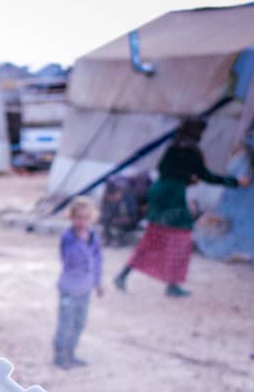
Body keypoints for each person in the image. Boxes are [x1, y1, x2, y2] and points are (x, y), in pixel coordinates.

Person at [113, 117, 251, 296]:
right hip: (172, 196)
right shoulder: (192, 151)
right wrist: (236, 181)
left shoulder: (173, 147)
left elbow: (164, 169)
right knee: (181, 239)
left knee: (153, 238)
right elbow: (207, 176)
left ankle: (124, 275)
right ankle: (172, 285)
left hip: (159, 191)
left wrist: (185, 178)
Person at [54, 197, 104, 369]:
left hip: (85, 288)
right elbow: (69, 259)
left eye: (86, 218)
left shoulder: (93, 238)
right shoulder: (69, 238)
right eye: (79, 217)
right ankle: (60, 355)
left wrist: (98, 283)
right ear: (72, 218)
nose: (82, 222)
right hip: (69, 287)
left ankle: (71, 353)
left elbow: (98, 261)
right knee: (65, 322)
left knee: (79, 322)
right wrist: (79, 242)